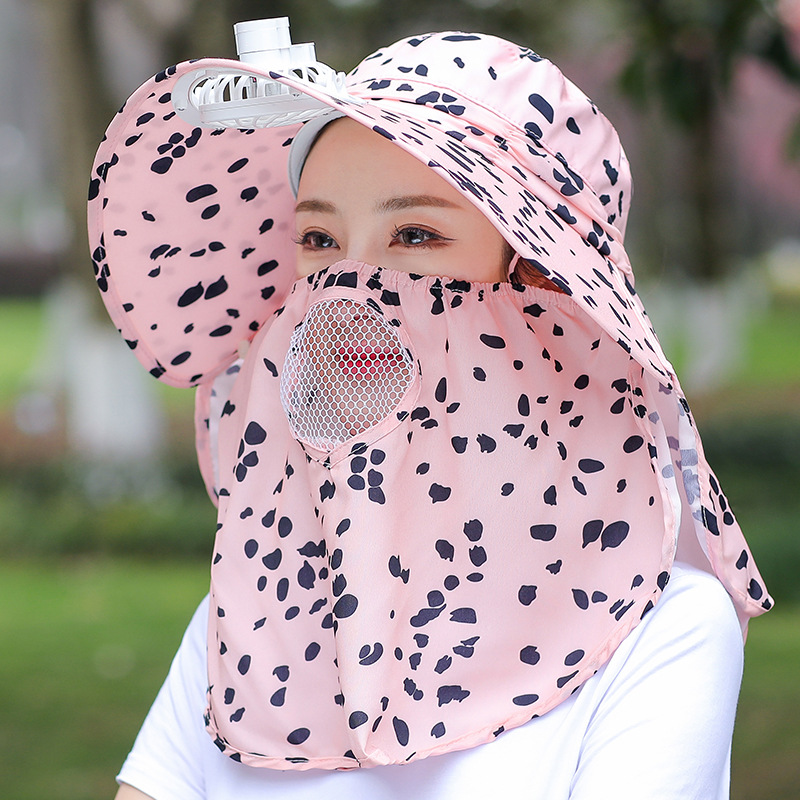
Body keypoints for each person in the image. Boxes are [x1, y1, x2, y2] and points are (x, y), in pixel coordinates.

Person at [88, 19, 771, 800]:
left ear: (541, 287)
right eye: (319, 239)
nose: (349, 288)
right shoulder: (254, 609)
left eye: (415, 234)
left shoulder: (662, 628)